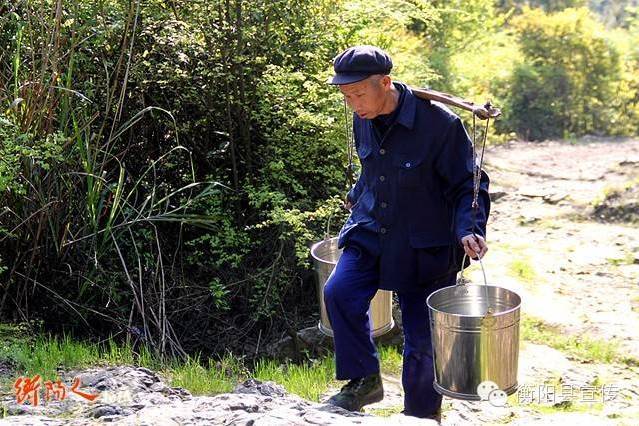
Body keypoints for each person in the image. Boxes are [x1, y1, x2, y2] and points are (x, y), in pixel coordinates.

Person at [323, 45, 491, 420]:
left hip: (425, 244)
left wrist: (470, 228)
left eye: (359, 94)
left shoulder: (441, 125)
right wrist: (356, 195)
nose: (353, 104)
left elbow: (470, 185)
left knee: (422, 342)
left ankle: (420, 415)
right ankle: (364, 381)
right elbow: (373, 170)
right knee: (339, 292)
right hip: (370, 232)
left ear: (385, 83)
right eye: (346, 96)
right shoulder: (361, 115)